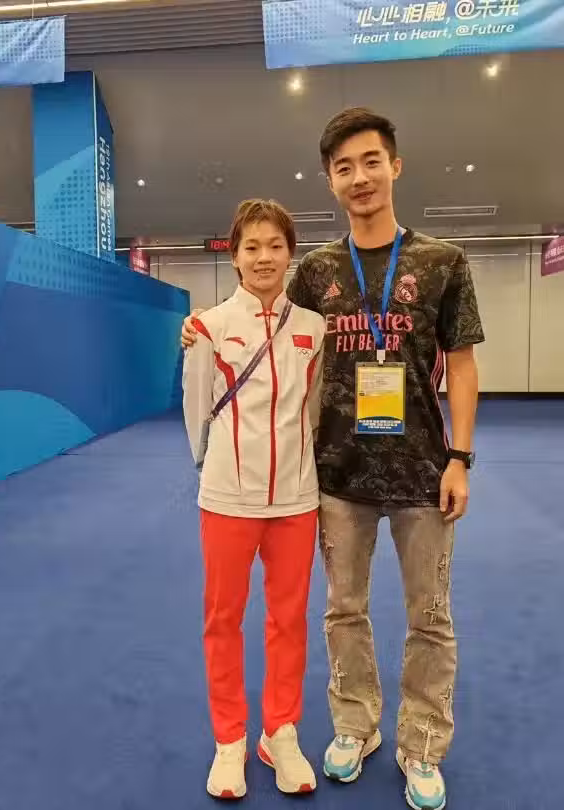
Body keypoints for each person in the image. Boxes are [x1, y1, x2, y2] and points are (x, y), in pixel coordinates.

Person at [182, 108, 484, 810]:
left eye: (371, 161)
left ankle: (422, 745)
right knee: (341, 612)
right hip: (335, 478)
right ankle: (354, 727)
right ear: (330, 180)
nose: (360, 177)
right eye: (344, 167)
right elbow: (260, 327)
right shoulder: (315, 272)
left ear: (394, 165)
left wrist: (460, 457)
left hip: (422, 472)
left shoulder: (443, 262)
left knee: (429, 616)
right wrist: (196, 330)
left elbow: (463, 365)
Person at [182, 199, 325, 799]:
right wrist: (217, 468)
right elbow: (196, 410)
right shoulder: (208, 327)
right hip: (227, 500)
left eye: (275, 246)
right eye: (252, 247)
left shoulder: (313, 328)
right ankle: (229, 740)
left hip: (296, 500)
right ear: (235, 256)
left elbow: (314, 410)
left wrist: (296, 464)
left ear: (291, 254)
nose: (264, 257)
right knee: (223, 620)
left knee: (289, 620)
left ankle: (280, 732)